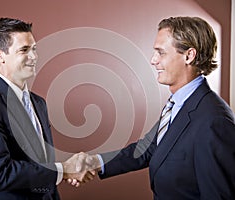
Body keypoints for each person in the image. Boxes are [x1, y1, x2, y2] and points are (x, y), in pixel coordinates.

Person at [72, 16, 235, 199]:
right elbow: (148, 149)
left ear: (189, 55)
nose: (153, 60)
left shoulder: (214, 121)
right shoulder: (179, 104)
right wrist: (94, 162)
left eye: (161, 52)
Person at [0, 17, 93, 200]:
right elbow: (0, 174)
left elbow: (43, 165)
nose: (34, 57)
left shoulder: (39, 103)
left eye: (34, 49)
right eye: (24, 50)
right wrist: (64, 170)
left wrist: (67, 172)